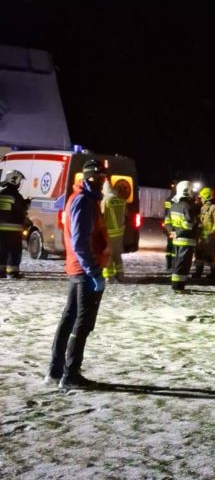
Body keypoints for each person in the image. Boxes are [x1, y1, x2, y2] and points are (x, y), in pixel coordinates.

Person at [45, 158, 109, 388]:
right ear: (91, 177)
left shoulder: (84, 198)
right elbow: (81, 243)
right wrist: (94, 272)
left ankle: (56, 370)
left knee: (70, 318)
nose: (104, 181)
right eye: (101, 177)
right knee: (83, 322)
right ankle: (70, 374)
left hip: (79, 269)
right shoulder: (84, 201)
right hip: (84, 271)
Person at [169, 181, 200, 292]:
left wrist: (173, 232)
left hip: (176, 240)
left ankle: (175, 285)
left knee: (177, 263)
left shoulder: (173, 206)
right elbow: (189, 225)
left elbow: (168, 221)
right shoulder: (188, 207)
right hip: (186, 241)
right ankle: (179, 287)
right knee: (183, 265)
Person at [0, 170, 28, 279]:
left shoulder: (2, 194)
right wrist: (26, 204)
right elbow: (20, 211)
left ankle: (1, 272)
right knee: (14, 251)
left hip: (1, 230)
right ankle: (13, 272)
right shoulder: (16, 196)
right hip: (14, 230)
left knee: (2, 250)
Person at [101, 178, 126, 282]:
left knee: (109, 255)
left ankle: (109, 276)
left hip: (109, 233)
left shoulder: (105, 201)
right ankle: (120, 275)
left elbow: (102, 215)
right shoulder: (121, 200)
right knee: (117, 254)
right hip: (119, 233)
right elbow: (125, 214)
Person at [194, 187, 215, 280]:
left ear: (206, 197)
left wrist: (211, 233)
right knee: (199, 254)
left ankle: (214, 273)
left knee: (211, 256)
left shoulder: (213, 207)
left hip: (209, 237)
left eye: (202, 197)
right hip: (201, 236)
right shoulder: (202, 207)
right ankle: (198, 272)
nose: (200, 199)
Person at [164, 189, 176, 272]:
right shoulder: (178, 201)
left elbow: (166, 212)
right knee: (173, 248)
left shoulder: (168, 199)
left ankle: (169, 266)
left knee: (170, 246)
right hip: (175, 227)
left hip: (170, 227)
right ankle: (172, 266)